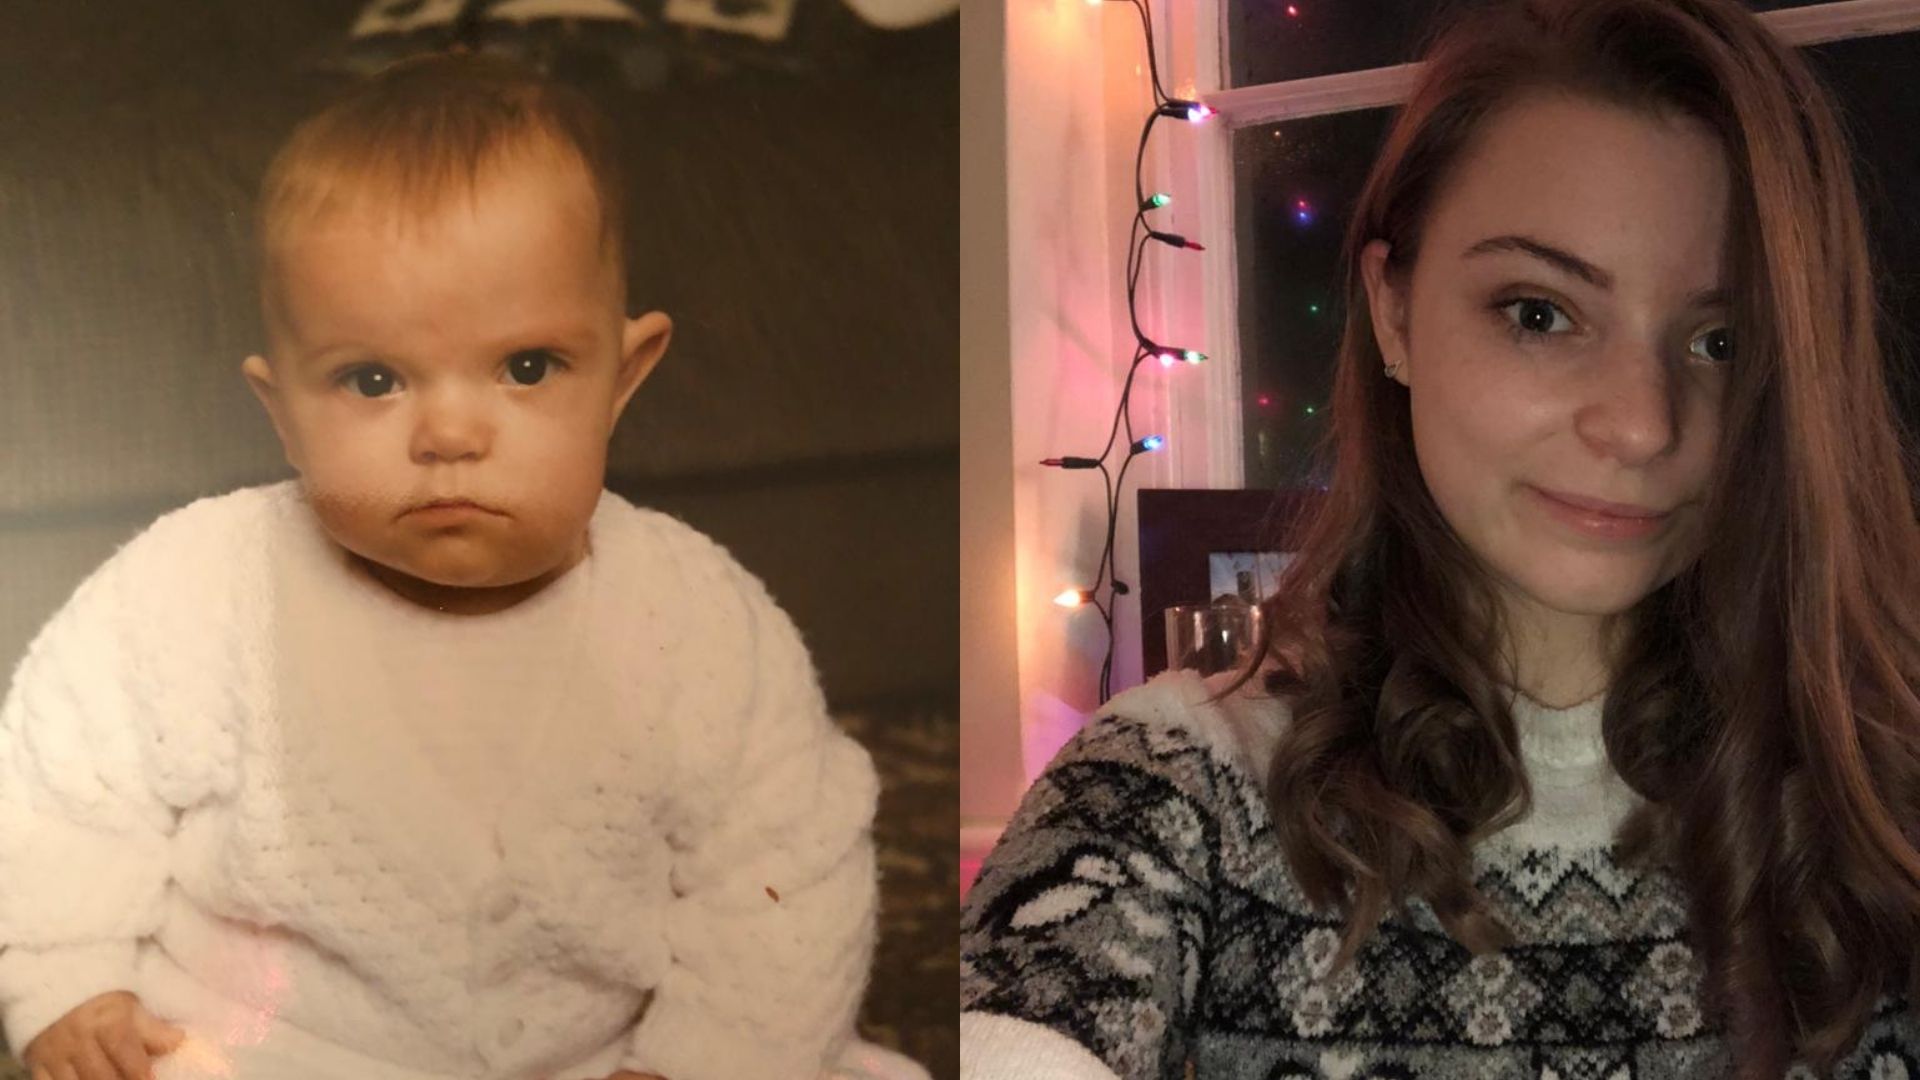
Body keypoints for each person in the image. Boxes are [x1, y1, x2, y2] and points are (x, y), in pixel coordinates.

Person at [960, 0, 1920, 1076]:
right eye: (1540, 313)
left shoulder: (1880, 805)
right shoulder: (1174, 792)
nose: (1644, 423)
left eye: (1720, 339)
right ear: (1395, 312)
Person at [0, 51, 910, 1080]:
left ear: (623, 375)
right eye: (372, 379)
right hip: (267, 1047)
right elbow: (61, 791)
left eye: (527, 368)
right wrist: (69, 980)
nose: (448, 433)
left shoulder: (694, 621)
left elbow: (786, 868)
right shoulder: (195, 589)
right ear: (282, 413)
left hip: (602, 1054)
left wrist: (696, 1062)